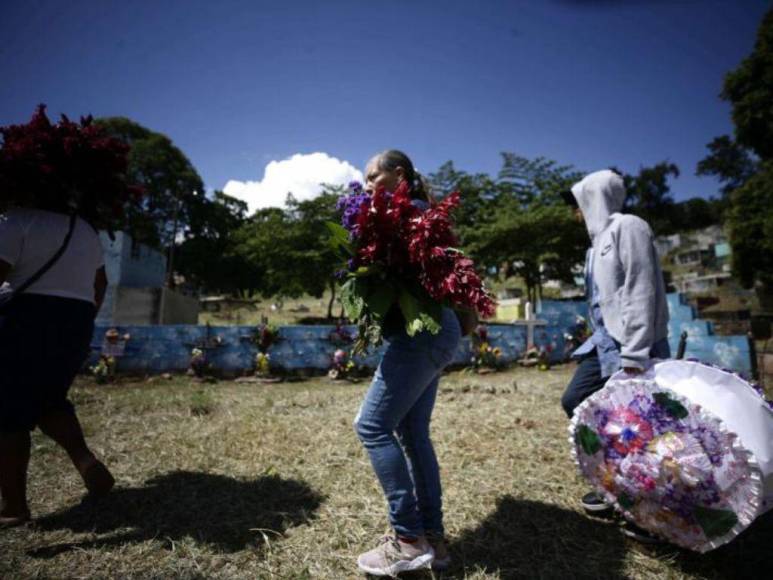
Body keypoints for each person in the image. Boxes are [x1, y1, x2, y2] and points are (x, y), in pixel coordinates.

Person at [354, 150, 461, 576]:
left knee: (371, 425)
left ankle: (407, 539)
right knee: (413, 432)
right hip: (436, 330)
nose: (366, 184)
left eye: (373, 175)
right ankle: (432, 539)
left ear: (399, 175)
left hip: (424, 334)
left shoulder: (407, 215)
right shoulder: (417, 214)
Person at [560, 169, 670, 540]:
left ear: (595, 197)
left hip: (631, 345)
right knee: (579, 402)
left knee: (641, 428)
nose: (575, 213)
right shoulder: (595, 246)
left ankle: (650, 510)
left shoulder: (629, 227)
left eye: (577, 203)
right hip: (604, 345)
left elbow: (641, 289)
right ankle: (616, 486)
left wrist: (636, 353)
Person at [0, 205, 115, 528]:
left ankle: (13, 507)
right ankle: (85, 460)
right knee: (49, 397)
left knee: (8, 413)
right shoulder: (85, 229)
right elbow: (101, 283)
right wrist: (83, 322)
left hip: (23, 318)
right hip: (76, 321)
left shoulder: (16, 220)